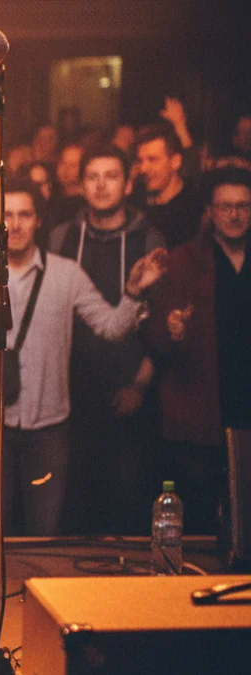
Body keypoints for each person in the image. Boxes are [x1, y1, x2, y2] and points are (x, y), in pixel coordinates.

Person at [0, 178, 166, 536]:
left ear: (38, 220)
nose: (15, 224)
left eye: (24, 215)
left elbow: (111, 327)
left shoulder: (66, 274)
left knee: (45, 534)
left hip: (49, 427)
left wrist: (132, 292)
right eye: (6, 216)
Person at [48, 146, 166, 534]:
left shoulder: (148, 239)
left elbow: (162, 323)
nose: (101, 185)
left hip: (128, 390)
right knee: (75, 507)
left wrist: (139, 385)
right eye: (92, 177)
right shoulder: (62, 237)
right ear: (81, 185)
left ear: (128, 184)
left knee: (126, 502)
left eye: (111, 176)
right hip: (71, 392)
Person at [148, 167, 251, 535]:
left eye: (243, 206)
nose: (235, 215)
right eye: (225, 206)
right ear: (210, 211)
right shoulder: (184, 261)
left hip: (246, 400)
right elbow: (156, 340)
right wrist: (172, 331)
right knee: (202, 522)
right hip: (201, 409)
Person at [133, 125, 202, 249]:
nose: (143, 168)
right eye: (140, 161)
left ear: (175, 162)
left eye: (152, 159)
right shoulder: (137, 202)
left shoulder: (195, 205)